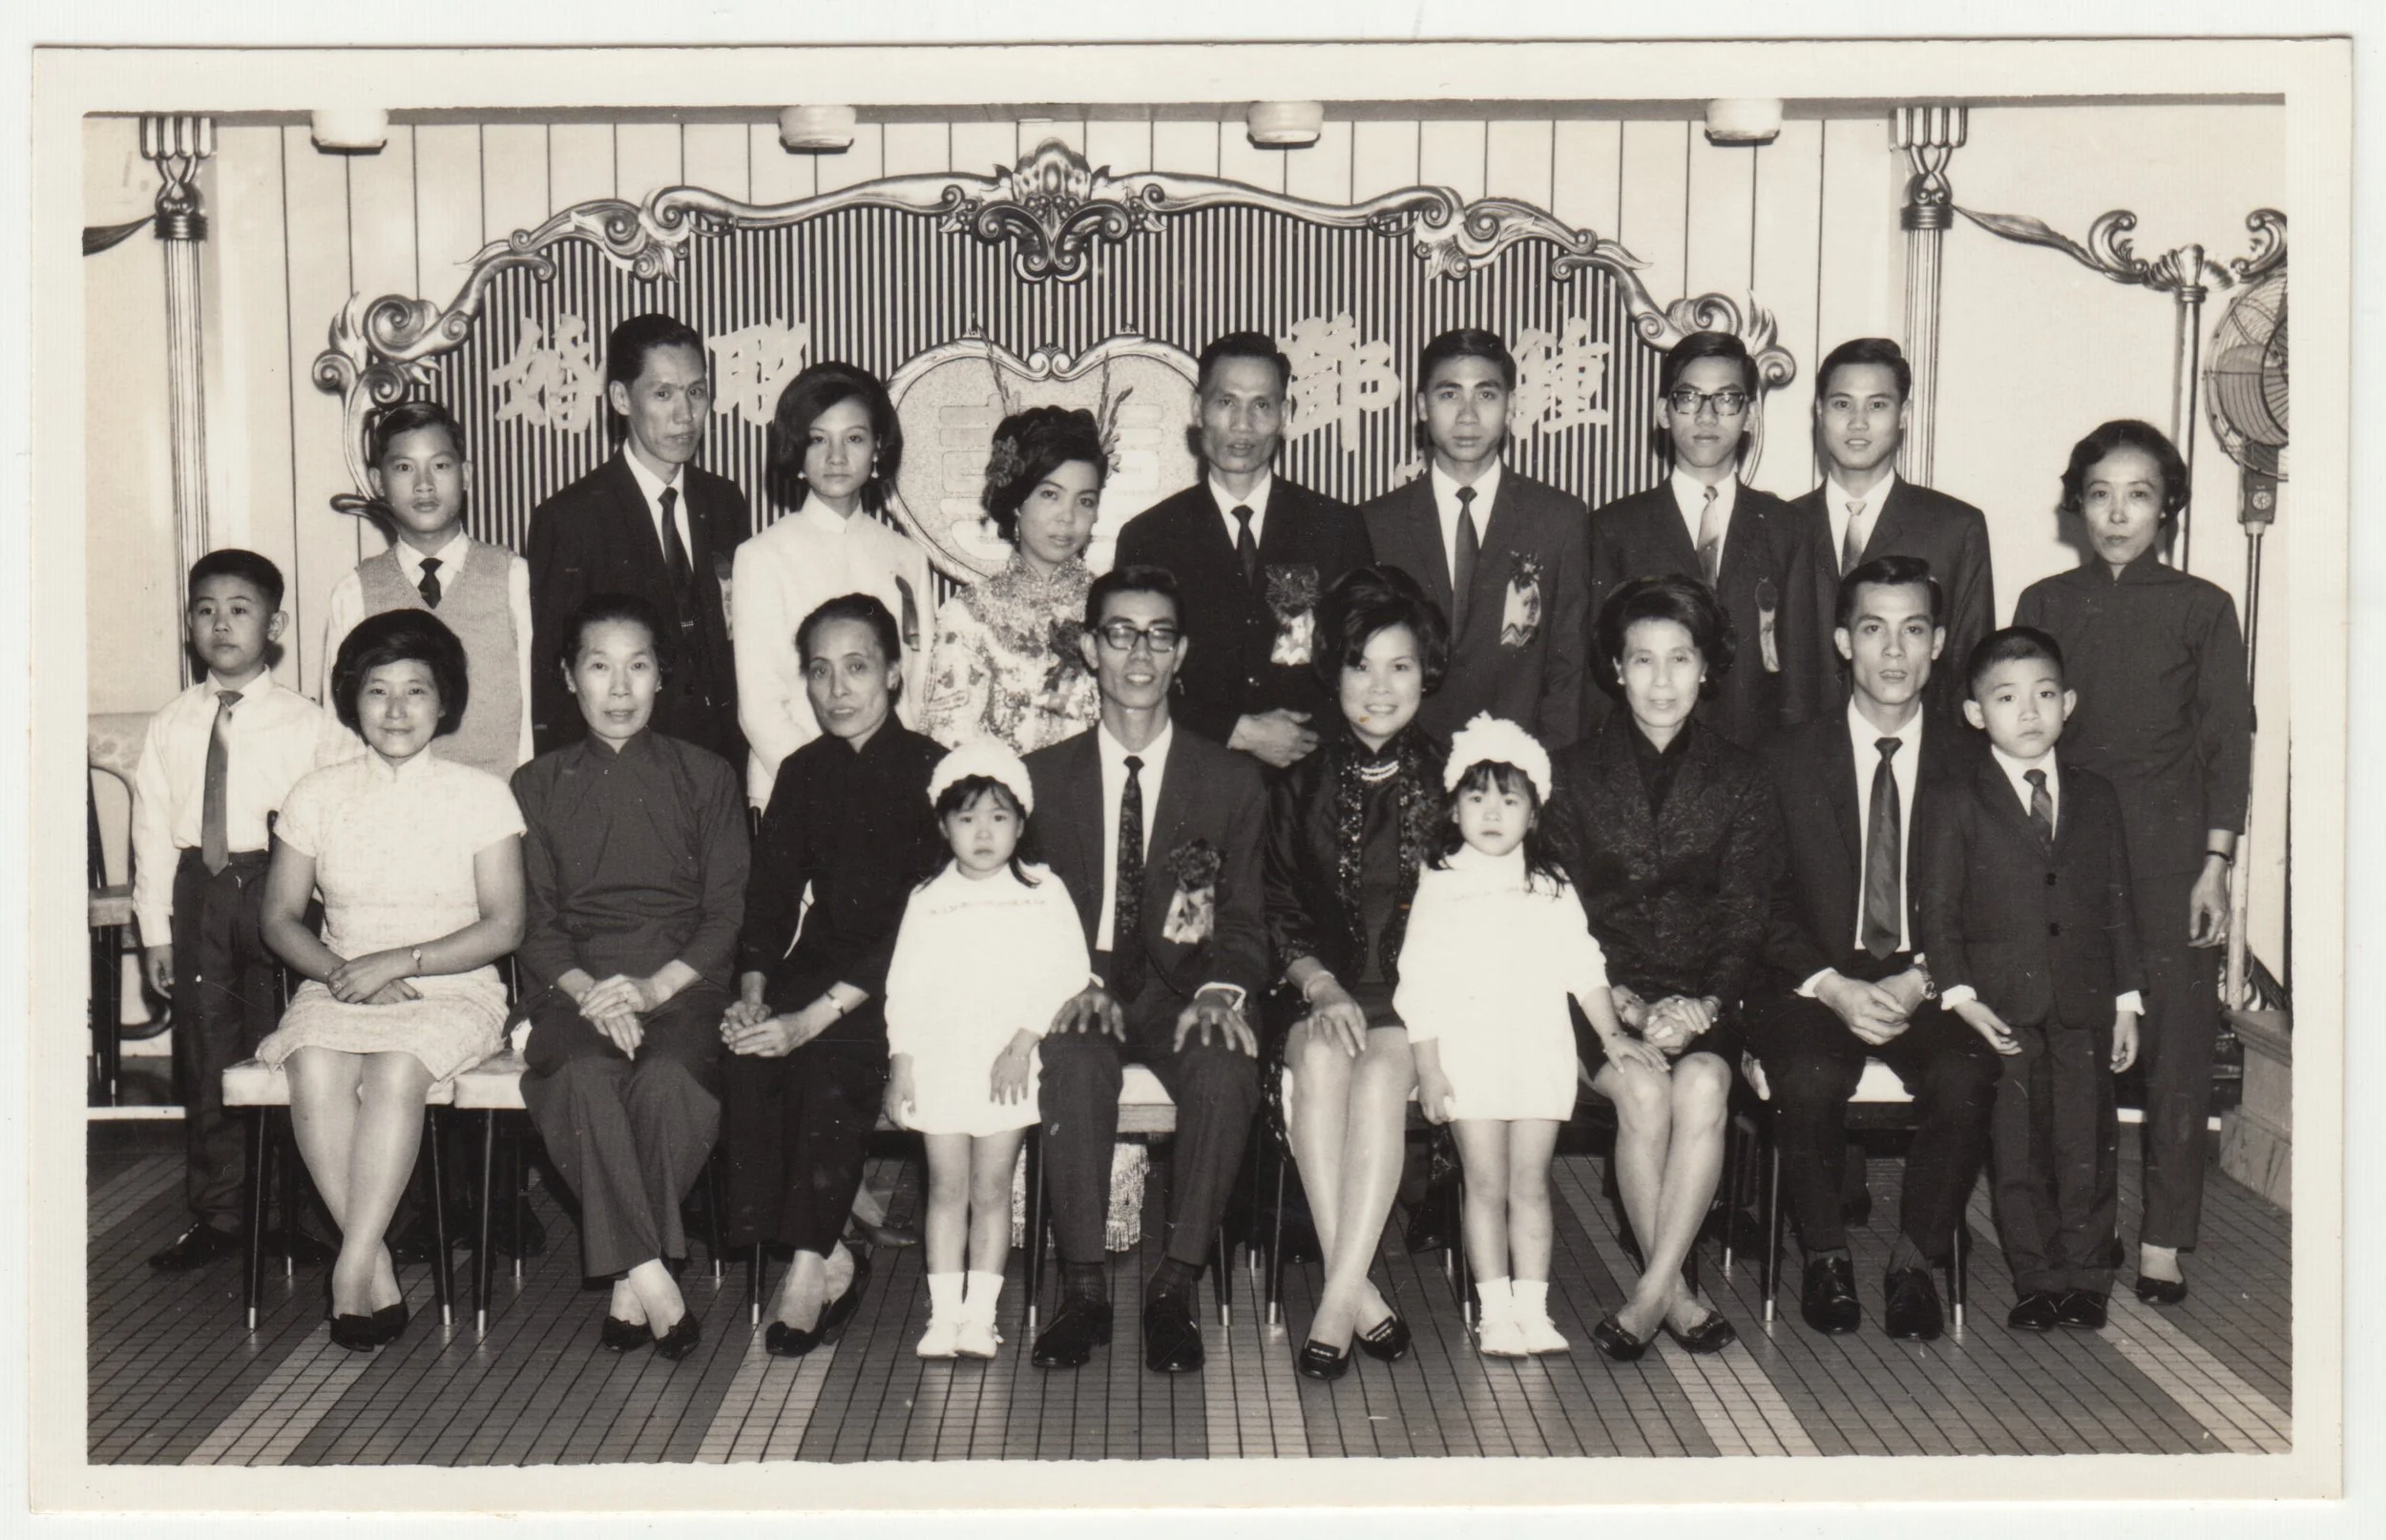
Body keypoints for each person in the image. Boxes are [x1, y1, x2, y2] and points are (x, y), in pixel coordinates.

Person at [2012, 420, 2251, 1307]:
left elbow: (2229, 746)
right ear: (2077, 503)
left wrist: (2215, 865)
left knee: (2178, 1051)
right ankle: (2084, 1226)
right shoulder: (2042, 599)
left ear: (2168, 508)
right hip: (2067, 854)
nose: (2117, 513)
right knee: (2072, 1046)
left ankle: (2161, 1238)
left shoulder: (2203, 606)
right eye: (2100, 494)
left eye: (2139, 495)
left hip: (2171, 857)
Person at [253, 611, 527, 1350]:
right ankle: (370, 1259)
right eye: (378, 691)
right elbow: (279, 919)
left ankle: (350, 1269)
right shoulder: (316, 793)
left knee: (399, 1071)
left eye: (417, 691)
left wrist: (400, 963)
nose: (397, 710)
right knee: (312, 1066)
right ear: (353, 700)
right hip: (338, 981)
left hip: (450, 984)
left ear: (446, 703)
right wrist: (348, 972)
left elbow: (505, 926)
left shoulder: (482, 794)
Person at [1020, 566, 1270, 1375]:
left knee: (1226, 1063)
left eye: (1158, 635)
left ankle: (1175, 1285)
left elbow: (1242, 916)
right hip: (1079, 987)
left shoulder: (1227, 778)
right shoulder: (1040, 778)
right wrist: (1064, 983)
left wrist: (1216, 992)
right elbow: (1016, 911)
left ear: (1181, 652)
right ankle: (1084, 1288)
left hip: (1181, 992)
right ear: (1091, 648)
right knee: (1072, 1062)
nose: (1139, 654)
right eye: (1120, 633)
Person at [1747, 556, 1999, 1342]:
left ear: (1940, 644)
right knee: (1811, 1072)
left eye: (1913, 630)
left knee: (1968, 1070)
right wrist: (1832, 987)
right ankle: (1824, 1256)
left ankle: (1915, 1261)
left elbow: (1995, 903)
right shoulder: (1784, 758)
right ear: (1841, 642)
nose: (1893, 652)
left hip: (1932, 977)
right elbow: (1762, 900)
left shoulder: (1975, 761)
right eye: (1873, 629)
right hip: (1814, 981)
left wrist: (1925, 979)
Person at [511, 594, 749, 1361]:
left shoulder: (707, 776)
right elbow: (534, 923)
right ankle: (651, 1275)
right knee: (580, 1073)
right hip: (573, 985)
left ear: (660, 677)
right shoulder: (535, 785)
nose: (620, 688)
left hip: (682, 982)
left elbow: (725, 915)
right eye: (599, 666)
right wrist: (590, 991)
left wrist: (651, 990)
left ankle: (625, 1278)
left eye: (638, 666)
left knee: (670, 1076)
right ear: (568, 677)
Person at [1545, 574, 1778, 1360]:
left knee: (1705, 1083)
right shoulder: (1569, 773)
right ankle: (1675, 1294)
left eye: (1681, 659)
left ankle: (1648, 1295)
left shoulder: (1743, 776)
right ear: (1615, 667)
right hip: (1600, 999)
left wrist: (1705, 1003)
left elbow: (1749, 910)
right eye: (1642, 660)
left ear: (1707, 668)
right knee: (1644, 1090)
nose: (1662, 680)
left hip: (1708, 995)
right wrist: (1625, 1007)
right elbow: (1560, 908)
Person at [722, 594, 946, 1357]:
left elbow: (918, 924)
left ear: (893, 673)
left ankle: (813, 1265)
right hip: (820, 960)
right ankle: (828, 1240)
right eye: (820, 672)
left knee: (824, 1063)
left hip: (904, 975)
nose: (838, 689)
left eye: (856, 667)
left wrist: (810, 1018)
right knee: (746, 1055)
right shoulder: (802, 770)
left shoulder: (933, 771)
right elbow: (770, 895)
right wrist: (753, 995)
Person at [1917, 627, 2146, 1333]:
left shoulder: (2097, 796)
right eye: (2007, 697)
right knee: (2014, 1146)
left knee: (2086, 1143)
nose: (2029, 712)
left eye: (2045, 695)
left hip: (2083, 1002)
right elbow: (1940, 910)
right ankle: (2037, 1277)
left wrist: (2128, 1001)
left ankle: (2087, 1277)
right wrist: (1959, 995)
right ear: (1974, 712)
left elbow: (2117, 901)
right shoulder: (1956, 798)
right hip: (2002, 1007)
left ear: (2068, 703)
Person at [1261, 565, 1448, 1378]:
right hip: (1318, 988)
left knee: (1379, 1078)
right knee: (1323, 1059)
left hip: (1421, 1002)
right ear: (1333, 672)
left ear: (1425, 675)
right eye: (1361, 665)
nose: (1379, 687)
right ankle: (1359, 1294)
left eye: (1399, 666)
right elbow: (1273, 907)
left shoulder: (1457, 778)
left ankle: (1339, 1298)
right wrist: (1320, 986)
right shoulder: (1294, 781)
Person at [1397, 715, 1632, 1359]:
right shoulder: (1441, 884)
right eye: (1477, 797)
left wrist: (1611, 1036)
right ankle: (1494, 1310)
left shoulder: (1551, 887)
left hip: (1537, 1053)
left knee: (1531, 1185)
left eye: (1509, 799)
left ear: (1533, 814)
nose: (1492, 812)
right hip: (1470, 1058)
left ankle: (1534, 1307)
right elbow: (1417, 980)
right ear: (1454, 808)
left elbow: (1584, 967)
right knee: (1485, 1183)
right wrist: (1430, 1067)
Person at [133, 550, 340, 1272]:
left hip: (281, 885)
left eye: (241, 608)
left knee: (288, 1044)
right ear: (189, 622)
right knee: (208, 1054)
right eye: (206, 609)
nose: (222, 623)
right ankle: (221, 1212)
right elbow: (152, 831)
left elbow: (333, 817)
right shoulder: (170, 724)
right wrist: (156, 931)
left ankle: (303, 1213)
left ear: (275, 624)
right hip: (201, 889)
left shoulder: (310, 723)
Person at [884, 742, 1090, 1360]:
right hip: (940, 1063)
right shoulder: (928, 897)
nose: (983, 832)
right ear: (944, 824)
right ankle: (944, 1315)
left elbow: (1069, 970)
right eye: (967, 817)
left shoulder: (1041, 889)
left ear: (1020, 824)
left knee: (992, 1189)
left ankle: (982, 1316)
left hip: (1008, 1062)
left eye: (999, 817)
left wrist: (1024, 1043)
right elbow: (904, 988)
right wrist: (901, 1065)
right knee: (946, 1190)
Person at [1115, 331, 1373, 773]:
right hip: (1195, 776)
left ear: (1284, 414)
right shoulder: (1150, 536)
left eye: (1261, 405)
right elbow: (1129, 674)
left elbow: (1365, 658)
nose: (1242, 425)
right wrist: (1235, 729)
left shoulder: (1335, 527)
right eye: (1226, 402)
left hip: (1312, 780)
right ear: (1198, 410)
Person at [1586, 330, 1836, 748]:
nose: (1707, 416)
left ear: (1751, 415)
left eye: (1726, 399)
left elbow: (1801, 676)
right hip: (1645, 753)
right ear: (1664, 412)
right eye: (1688, 398)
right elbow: (1598, 678)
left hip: (1756, 757)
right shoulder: (1614, 528)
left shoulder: (1786, 527)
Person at [528, 313, 747, 762]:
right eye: (663, 394)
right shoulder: (570, 518)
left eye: (696, 392)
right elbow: (554, 680)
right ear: (621, 398)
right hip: (624, 771)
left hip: (723, 769)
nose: (685, 415)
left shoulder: (725, 502)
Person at [1360, 328, 1589, 746]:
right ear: (1422, 406)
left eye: (1486, 395)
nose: (1467, 415)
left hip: (1520, 770)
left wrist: (1546, 770)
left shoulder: (1558, 520)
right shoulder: (1377, 523)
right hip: (1406, 769)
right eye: (1449, 395)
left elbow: (1568, 665)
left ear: (1511, 406)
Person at [731, 362, 935, 809]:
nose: (836, 457)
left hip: (895, 793)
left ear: (878, 447)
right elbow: (760, 707)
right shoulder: (762, 556)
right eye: (818, 439)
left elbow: (919, 692)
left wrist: (899, 779)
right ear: (796, 449)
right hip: (793, 791)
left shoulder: (907, 557)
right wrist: (831, 788)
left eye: (854, 439)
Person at [321, 400, 534, 778]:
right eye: (404, 468)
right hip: (391, 812)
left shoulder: (514, 577)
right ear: (376, 482)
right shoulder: (355, 591)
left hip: (496, 808)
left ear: (465, 475)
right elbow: (340, 734)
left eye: (440, 465)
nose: (424, 484)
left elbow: (534, 712)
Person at [1788, 339, 1995, 718]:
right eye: (1842, 404)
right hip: (1798, 758)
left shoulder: (1955, 527)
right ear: (1819, 411)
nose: (1858, 423)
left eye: (1878, 405)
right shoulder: (1780, 525)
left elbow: (1972, 668)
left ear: (1904, 413)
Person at [920, 406, 1105, 754]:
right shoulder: (970, 614)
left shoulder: (1112, 608)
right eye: (1050, 495)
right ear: (1018, 502)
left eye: (1085, 501)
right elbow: (950, 744)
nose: (1068, 517)